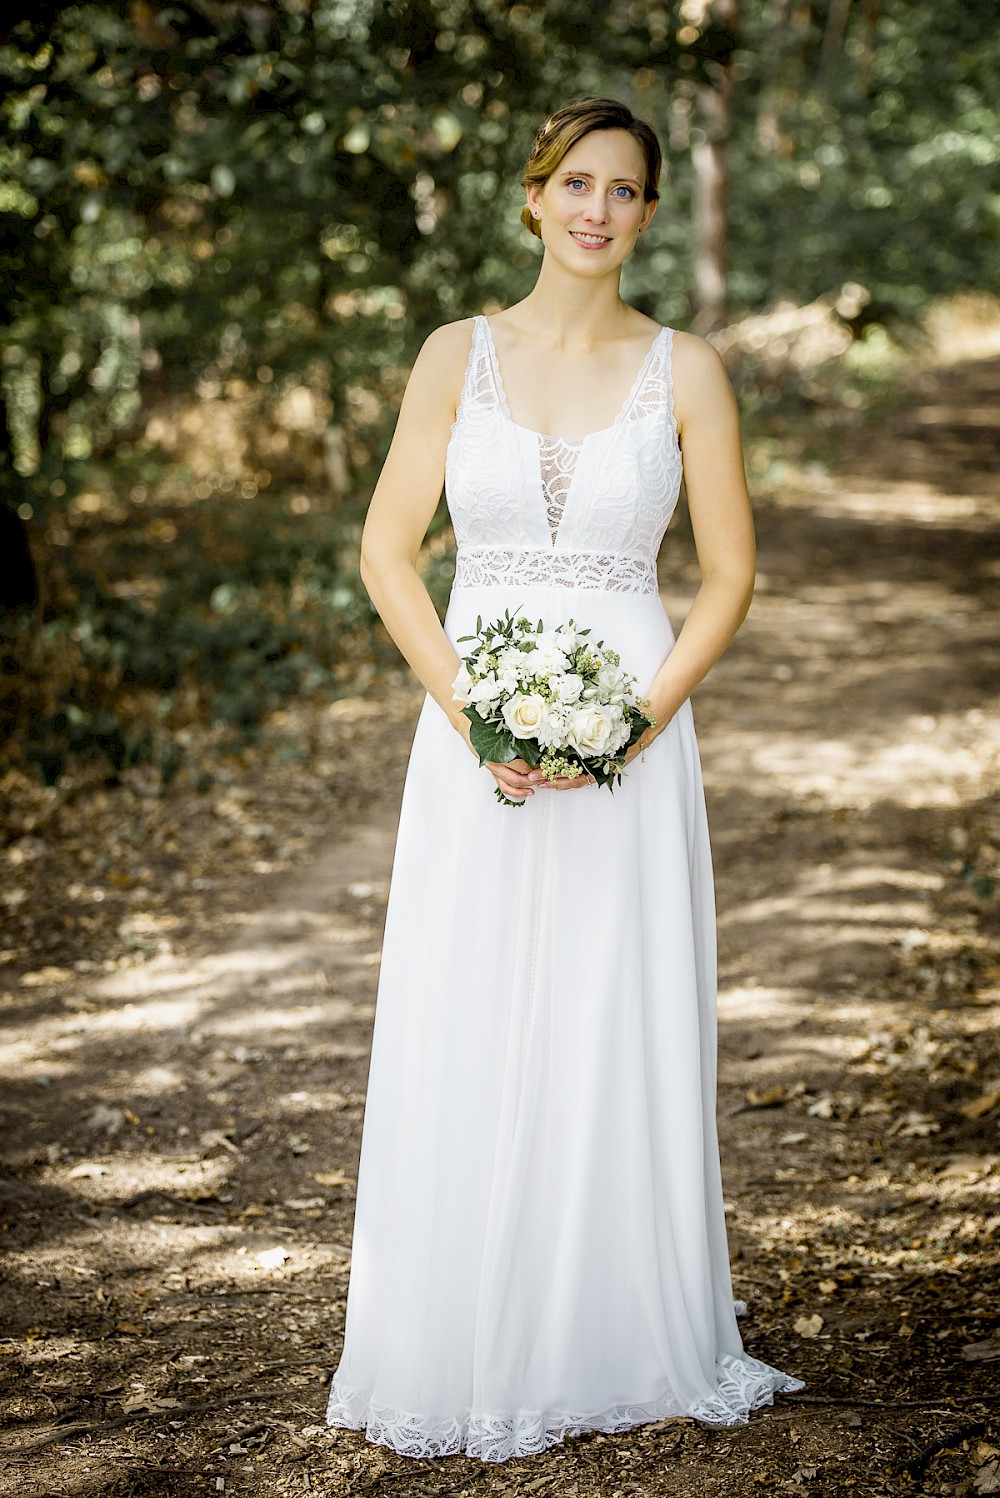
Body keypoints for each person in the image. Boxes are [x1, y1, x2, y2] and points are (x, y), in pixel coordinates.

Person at [325, 94, 805, 1462]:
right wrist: (470, 708)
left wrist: (632, 725)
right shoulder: (451, 356)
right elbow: (384, 553)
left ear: (650, 216)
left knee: (608, 1004)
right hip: (470, 727)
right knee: (468, 999)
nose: (599, 209)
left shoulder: (687, 371)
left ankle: (612, 1326)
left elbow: (727, 575)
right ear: (533, 197)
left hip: (630, 736)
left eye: (627, 191)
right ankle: (457, 1329)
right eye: (576, 183)